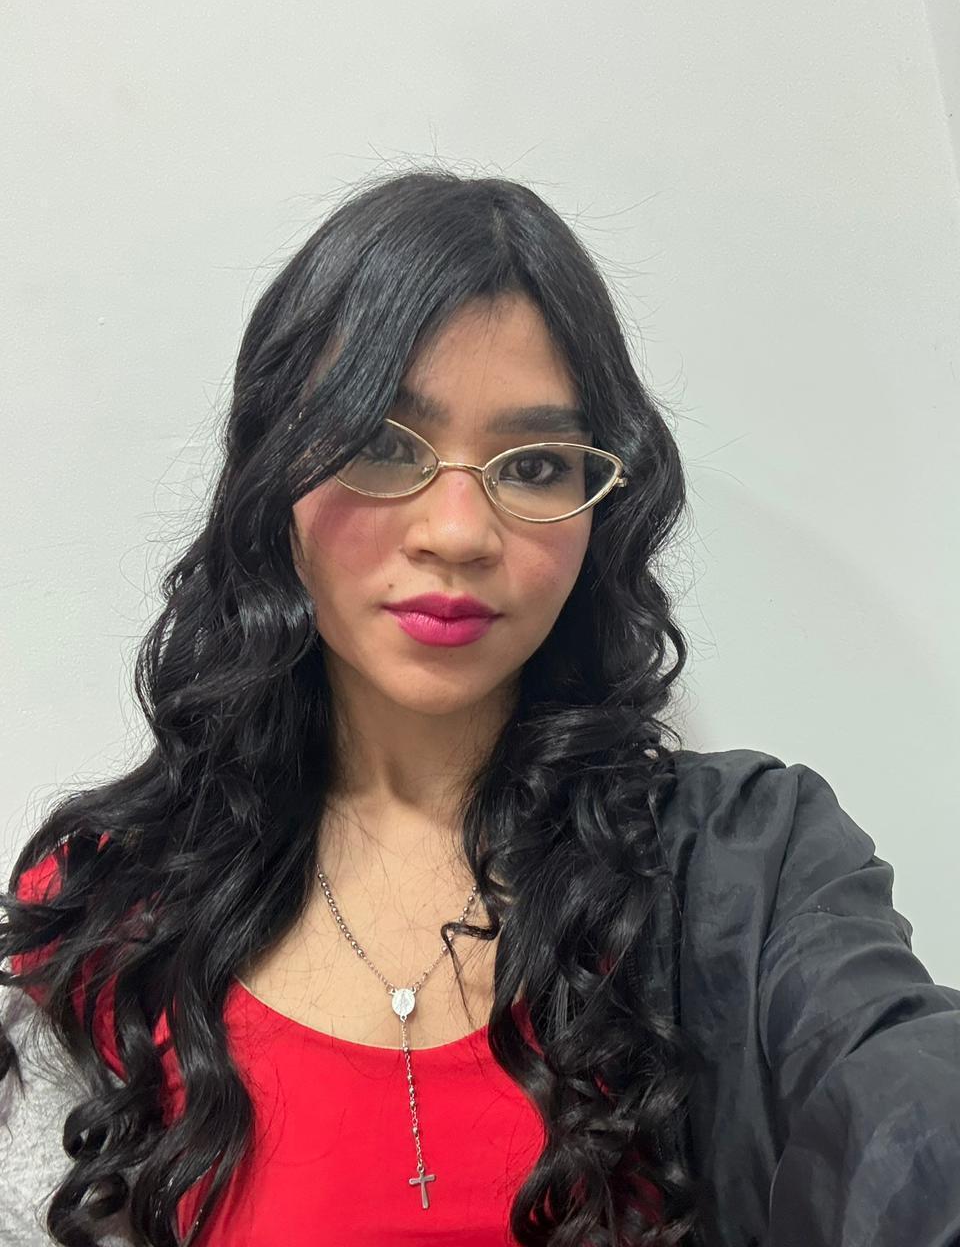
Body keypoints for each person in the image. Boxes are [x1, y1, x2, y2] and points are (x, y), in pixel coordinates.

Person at [1, 169, 958, 1247]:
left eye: (536, 464)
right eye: (382, 444)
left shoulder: (750, 867)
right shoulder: (107, 909)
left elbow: (904, 1110)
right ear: (275, 479)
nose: (458, 532)